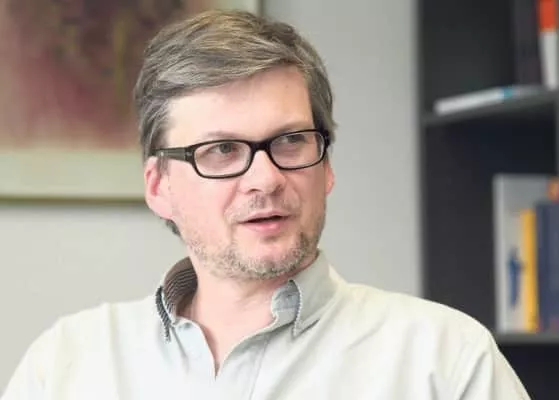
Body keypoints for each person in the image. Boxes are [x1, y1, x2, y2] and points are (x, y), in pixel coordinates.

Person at [2, 9, 530, 400]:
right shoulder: (68, 365)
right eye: (222, 150)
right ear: (159, 186)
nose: (266, 178)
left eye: (291, 141)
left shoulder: (445, 360)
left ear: (326, 166)